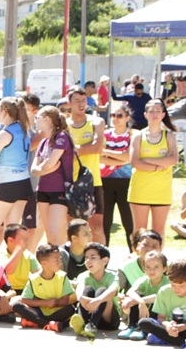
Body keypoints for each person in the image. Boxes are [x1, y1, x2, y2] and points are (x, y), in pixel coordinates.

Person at [128, 99, 178, 243]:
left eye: (158, 111)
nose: (155, 114)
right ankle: (138, 262)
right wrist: (160, 165)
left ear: (163, 114)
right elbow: (135, 162)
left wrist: (147, 160)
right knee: (139, 232)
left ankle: (158, 264)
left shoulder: (169, 136)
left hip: (161, 191)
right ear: (145, 114)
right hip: (140, 189)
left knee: (159, 231)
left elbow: (173, 159)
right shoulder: (138, 136)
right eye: (151, 111)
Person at [0, 97, 33, 238]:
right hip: (23, 183)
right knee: (12, 234)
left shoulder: (5, 133)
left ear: (4, 112)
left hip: (7, 183)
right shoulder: (24, 130)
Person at [68, 86, 107, 244]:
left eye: (83, 100)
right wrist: (84, 149)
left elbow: (96, 147)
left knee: (96, 228)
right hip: (69, 182)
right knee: (71, 228)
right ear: (69, 102)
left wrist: (73, 150)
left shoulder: (96, 121)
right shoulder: (64, 124)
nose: (81, 104)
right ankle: (73, 263)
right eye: (77, 101)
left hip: (93, 182)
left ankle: (103, 262)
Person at [31, 106, 74, 247]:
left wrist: (43, 169)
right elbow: (34, 170)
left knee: (56, 232)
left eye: (38, 118)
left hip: (60, 190)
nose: (35, 120)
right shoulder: (43, 142)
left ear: (47, 119)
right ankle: (54, 266)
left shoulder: (62, 137)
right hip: (43, 190)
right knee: (49, 235)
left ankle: (64, 264)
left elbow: (50, 163)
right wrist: (43, 170)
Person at [11, 243, 77, 331]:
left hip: (57, 311)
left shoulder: (63, 277)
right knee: (16, 305)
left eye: (60, 259)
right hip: (39, 311)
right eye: (56, 260)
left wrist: (53, 303)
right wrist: (45, 303)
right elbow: (25, 300)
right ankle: (50, 324)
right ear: (44, 263)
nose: (60, 262)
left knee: (70, 309)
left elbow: (65, 301)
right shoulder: (34, 279)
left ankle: (36, 322)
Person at [100, 103, 134, 251]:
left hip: (127, 183)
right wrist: (121, 157)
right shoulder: (105, 134)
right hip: (105, 181)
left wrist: (108, 153)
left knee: (129, 222)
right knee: (105, 222)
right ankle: (103, 257)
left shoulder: (133, 134)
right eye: (113, 115)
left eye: (119, 115)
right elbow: (99, 157)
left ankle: (134, 255)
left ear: (127, 117)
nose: (115, 118)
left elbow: (130, 158)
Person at [71, 242, 120, 338]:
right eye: (86, 258)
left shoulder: (112, 276)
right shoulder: (83, 275)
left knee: (102, 291)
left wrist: (97, 301)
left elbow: (112, 291)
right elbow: (80, 287)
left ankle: (92, 325)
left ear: (104, 261)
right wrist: (81, 297)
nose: (88, 261)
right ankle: (83, 323)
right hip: (89, 313)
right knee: (87, 290)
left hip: (109, 321)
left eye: (93, 257)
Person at [137, 258, 186, 348]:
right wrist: (168, 326)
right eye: (173, 285)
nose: (176, 289)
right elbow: (161, 317)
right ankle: (180, 341)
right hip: (169, 328)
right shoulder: (164, 291)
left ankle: (164, 339)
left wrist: (182, 327)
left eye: (181, 286)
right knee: (144, 322)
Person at [120, 250, 168, 341]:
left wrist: (141, 301)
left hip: (160, 314)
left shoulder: (167, 282)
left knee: (150, 302)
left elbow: (160, 297)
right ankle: (132, 327)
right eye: (148, 267)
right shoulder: (144, 280)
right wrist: (140, 302)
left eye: (156, 267)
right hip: (143, 308)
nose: (151, 270)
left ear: (165, 268)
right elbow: (130, 292)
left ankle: (142, 329)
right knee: (137, 295)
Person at [20, 93, 43, 251]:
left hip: (33, 184)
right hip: (17, 183)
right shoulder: (17, 128)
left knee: (32, 226)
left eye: (26, 109)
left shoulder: (40, 130)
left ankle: (29, 258)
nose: (21, 111)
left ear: (35, 111)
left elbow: (33, 146)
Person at [117, 228, 162, 293]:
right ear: (138, 246)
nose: (149, 249)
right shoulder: (126, 268)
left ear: (160, 249)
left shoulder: (169, 267)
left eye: (154, 246)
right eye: (146, 245)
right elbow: (116, 291)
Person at [2, 223, 40, 295]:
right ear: (10, 240)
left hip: (25, 290)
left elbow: (39, 274)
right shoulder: (0, 255)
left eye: (27, 239)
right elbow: (8, 270)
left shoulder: (28, 255)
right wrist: (19, 249)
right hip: (6, 291)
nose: (27, 242)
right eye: (24, 239)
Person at [59, 219, 91, 283]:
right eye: (86, 234)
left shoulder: (92, 252)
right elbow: (58, 280)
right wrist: (79, 285)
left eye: (90, 232)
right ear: (74, 238)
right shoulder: (61, 254)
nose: (90, 236)